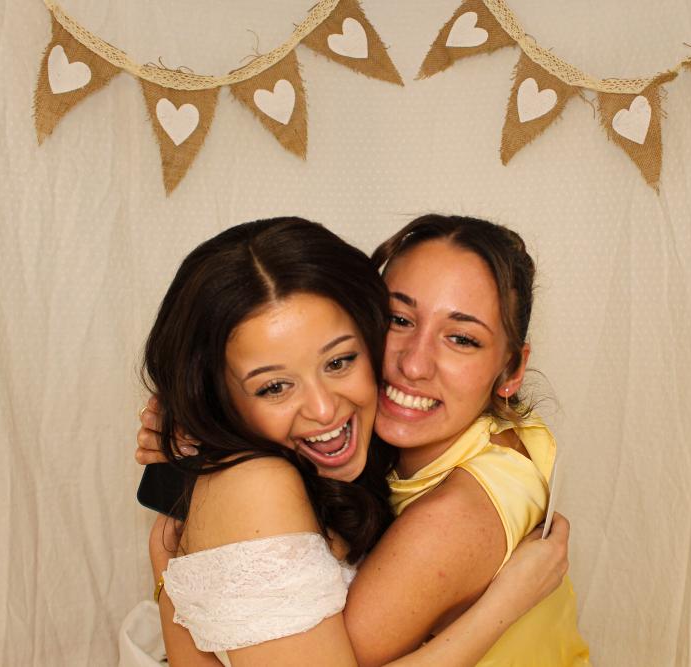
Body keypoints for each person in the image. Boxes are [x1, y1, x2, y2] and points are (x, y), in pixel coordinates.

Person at [137, 215, 591, 665]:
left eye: (461, 338)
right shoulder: (460, 434)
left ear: (511, 370)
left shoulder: (452, 515)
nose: (414, 365)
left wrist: (171, 573)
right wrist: (202, 434)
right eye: (399, 319)